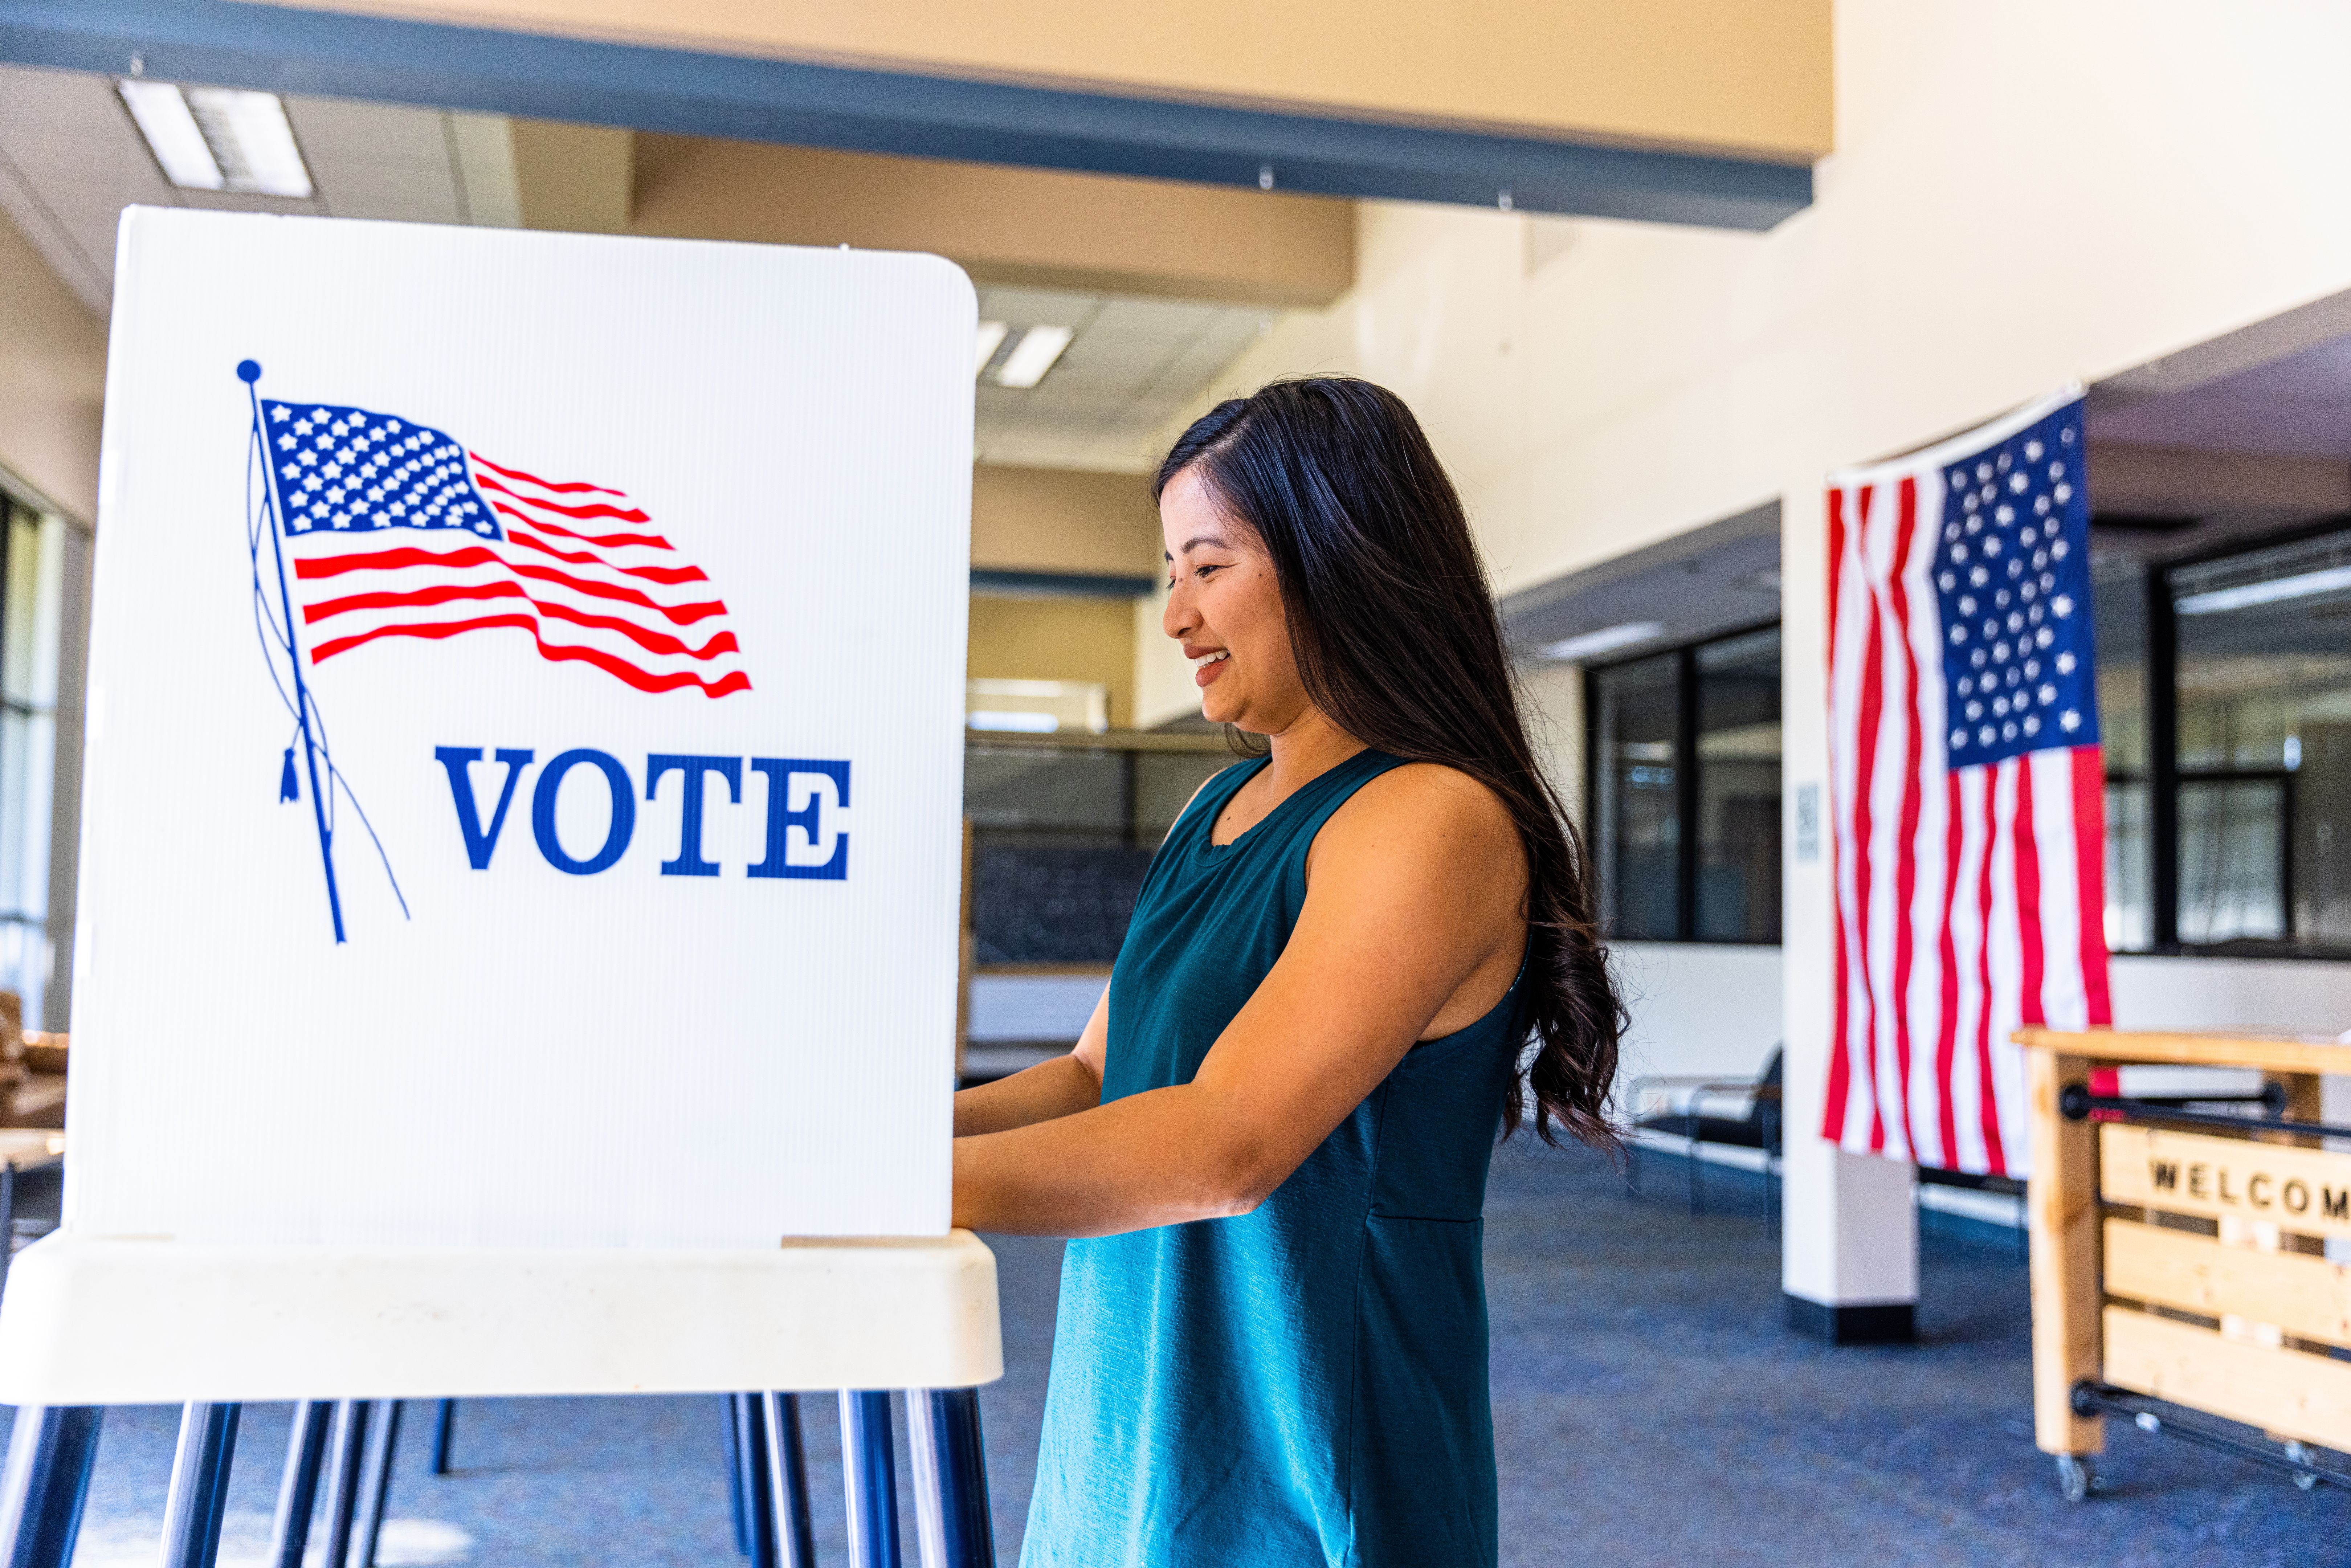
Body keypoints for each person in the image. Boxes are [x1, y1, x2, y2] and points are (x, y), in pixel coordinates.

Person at [951, 377, 1625, 1567]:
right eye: (1171, 572)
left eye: (1209, 568)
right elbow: (1095, 1077)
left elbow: (1228, 1142)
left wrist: (879, 1193)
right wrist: (871, 1140)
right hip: (1129, 1430)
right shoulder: (1211, 811)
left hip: (1306, 1469)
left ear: (1339, 558)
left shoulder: (1428, 817)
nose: (1177, 616)